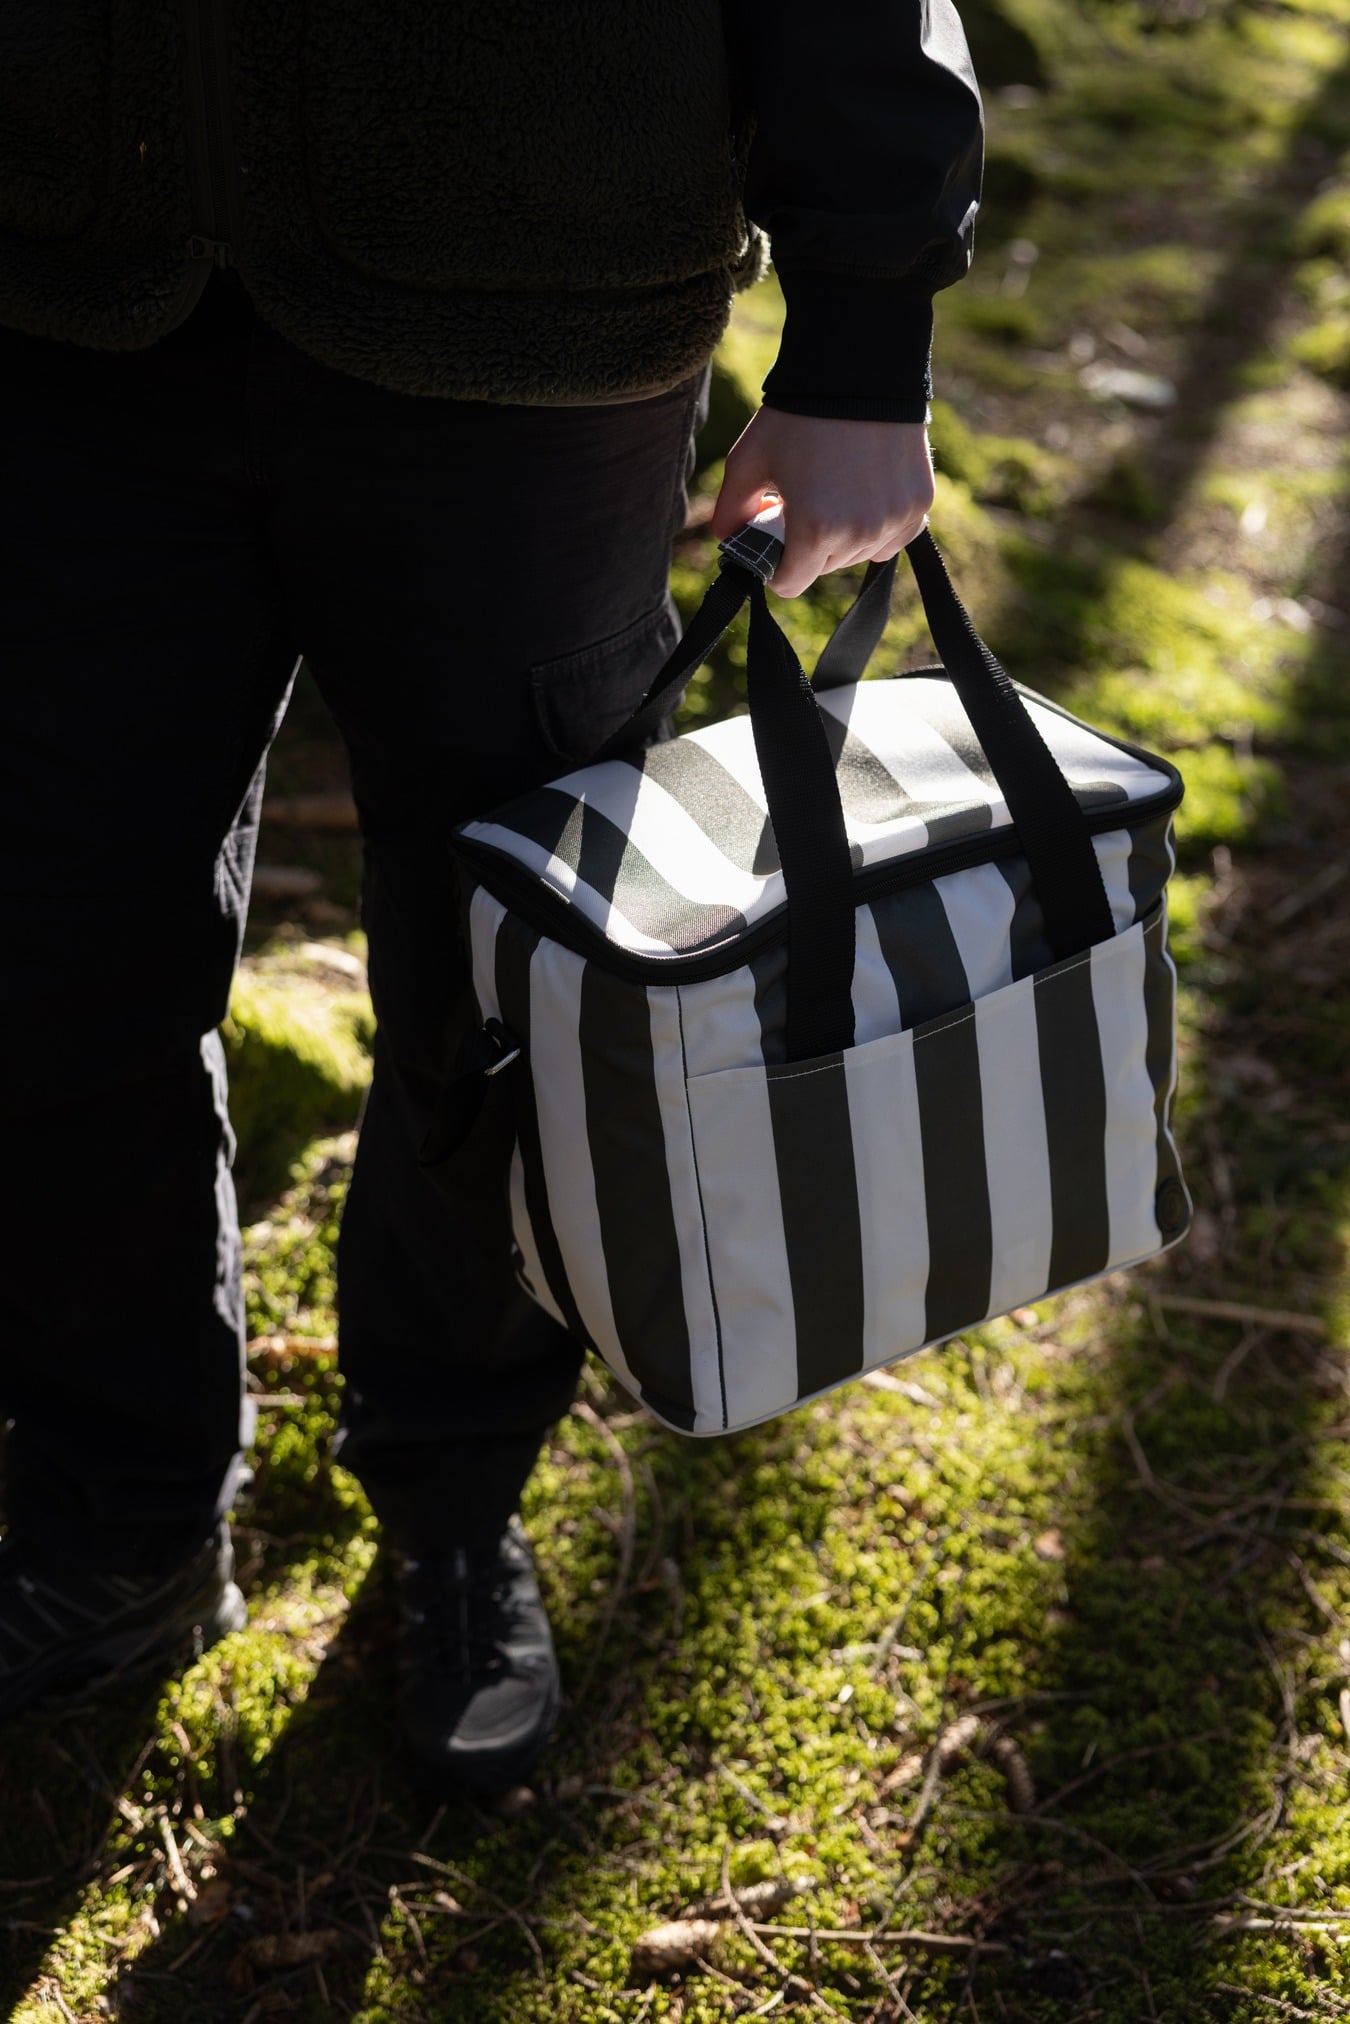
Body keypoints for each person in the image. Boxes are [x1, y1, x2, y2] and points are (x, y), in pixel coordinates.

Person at [0, 3, 982, 1793]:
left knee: (505, 991)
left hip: (535, 320)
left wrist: (865, 325)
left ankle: (453, 1502)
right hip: (60, 302)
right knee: (57, 953)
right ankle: (112, 1518)